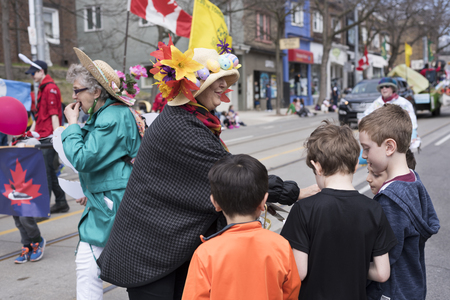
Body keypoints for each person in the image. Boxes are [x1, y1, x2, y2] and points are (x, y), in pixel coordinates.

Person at [97, 45, 319, 300]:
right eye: (216, 80)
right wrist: (295, 192)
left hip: (168, 246)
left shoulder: (192, 118)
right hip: (150, 251)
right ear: (193, 87)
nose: (224, 85)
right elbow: (236, 175)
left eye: (225, 80)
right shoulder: (182, 127)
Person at [281, 121, 397, 300]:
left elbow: (300, 272)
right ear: (355, 165)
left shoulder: (303, 210)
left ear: (317, 167)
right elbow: (382, 273)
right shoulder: (374, 209)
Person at [62, 48, 143, 300]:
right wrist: (91, 191)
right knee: (106, 268)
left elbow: (83, 159)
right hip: (111, 199)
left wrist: (72, 125)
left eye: (77, 90)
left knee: (88, 268)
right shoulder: (110, 113)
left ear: (96, 91)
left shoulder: (110, 117)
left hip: (111, 204)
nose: (73, 96)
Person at [182, 154, 301, 299]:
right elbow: (291, 293)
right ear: (264, 201)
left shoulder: (205, 253)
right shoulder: (281, 246)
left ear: (215, 203)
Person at [359, 104, 440, 300]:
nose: (363, 155)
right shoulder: (413, 179)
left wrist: (350, 266)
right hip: (411, 285)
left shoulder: (390, 201)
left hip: (391, 292)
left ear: (389, 147)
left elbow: (384, 258)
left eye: (367, 148)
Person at [25, 60, 69, 214]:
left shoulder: (50, 88)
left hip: (48, 137)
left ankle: (43, 209)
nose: (31, 75)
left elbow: (54, 115)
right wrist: (28, 133)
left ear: (41, 71)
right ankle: (61, 202)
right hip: (43, 136)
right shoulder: (43, 88)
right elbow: (38, 117)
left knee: (44, 172)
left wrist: (56, 138)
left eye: (33, 72)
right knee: (49, 170)